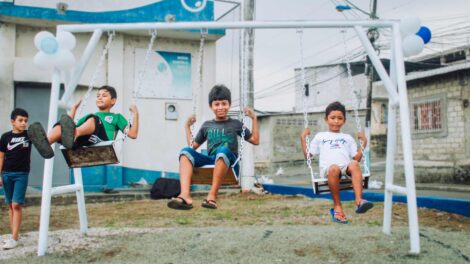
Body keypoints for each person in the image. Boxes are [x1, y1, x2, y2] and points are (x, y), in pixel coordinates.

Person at [168, 84, 259, 210]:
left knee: (222, 151)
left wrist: (254, 119)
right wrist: (187, 127)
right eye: (217, 104)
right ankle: (185, 196)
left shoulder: (236, 124)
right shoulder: (207, 125)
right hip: (212, 161)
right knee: (185, 152)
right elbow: (192, 147)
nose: (220, 107)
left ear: (229, 104)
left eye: (224, 103)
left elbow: (255, 140)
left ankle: (212, 196)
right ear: (211, 106)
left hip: (230, 163)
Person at [300, 101, 373, 224]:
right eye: (332, 118)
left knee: (354, 164)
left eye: (340, 118)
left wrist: (364, 143)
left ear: (344, 120)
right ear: (326, 119)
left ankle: (360, 201)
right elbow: (308, 155)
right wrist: (303, 138)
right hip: (329, 170)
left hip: (345, 168)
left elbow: (356, 158)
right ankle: (337, 207)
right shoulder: (320, 136)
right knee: (334, 168)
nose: (336, 121)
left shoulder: (347, 138)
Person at [28, 85, 139, 158]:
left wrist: (135, 114)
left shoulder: (116, 117)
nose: (100, 98)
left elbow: (133, 134)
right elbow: (69, 125)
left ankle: (75, 134)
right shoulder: (89, 119)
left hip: (102, 141)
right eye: (98, 96)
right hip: (83, 142)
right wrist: (73, 110)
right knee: (63, 126)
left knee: (93, 119)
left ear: (113, 101)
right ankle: (46, 143)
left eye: (104, 96)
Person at [0, 108, 32, 249]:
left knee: (16, 205)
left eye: (25, 120)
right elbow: (1, 157)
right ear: (13, 121)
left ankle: (13, 238)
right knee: (10, 206)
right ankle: (14, 235)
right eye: (20, 120)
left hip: (21, 174)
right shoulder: (5, 137)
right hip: (6, 174)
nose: (24, 123)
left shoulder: (29, 135)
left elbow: (45, 141)